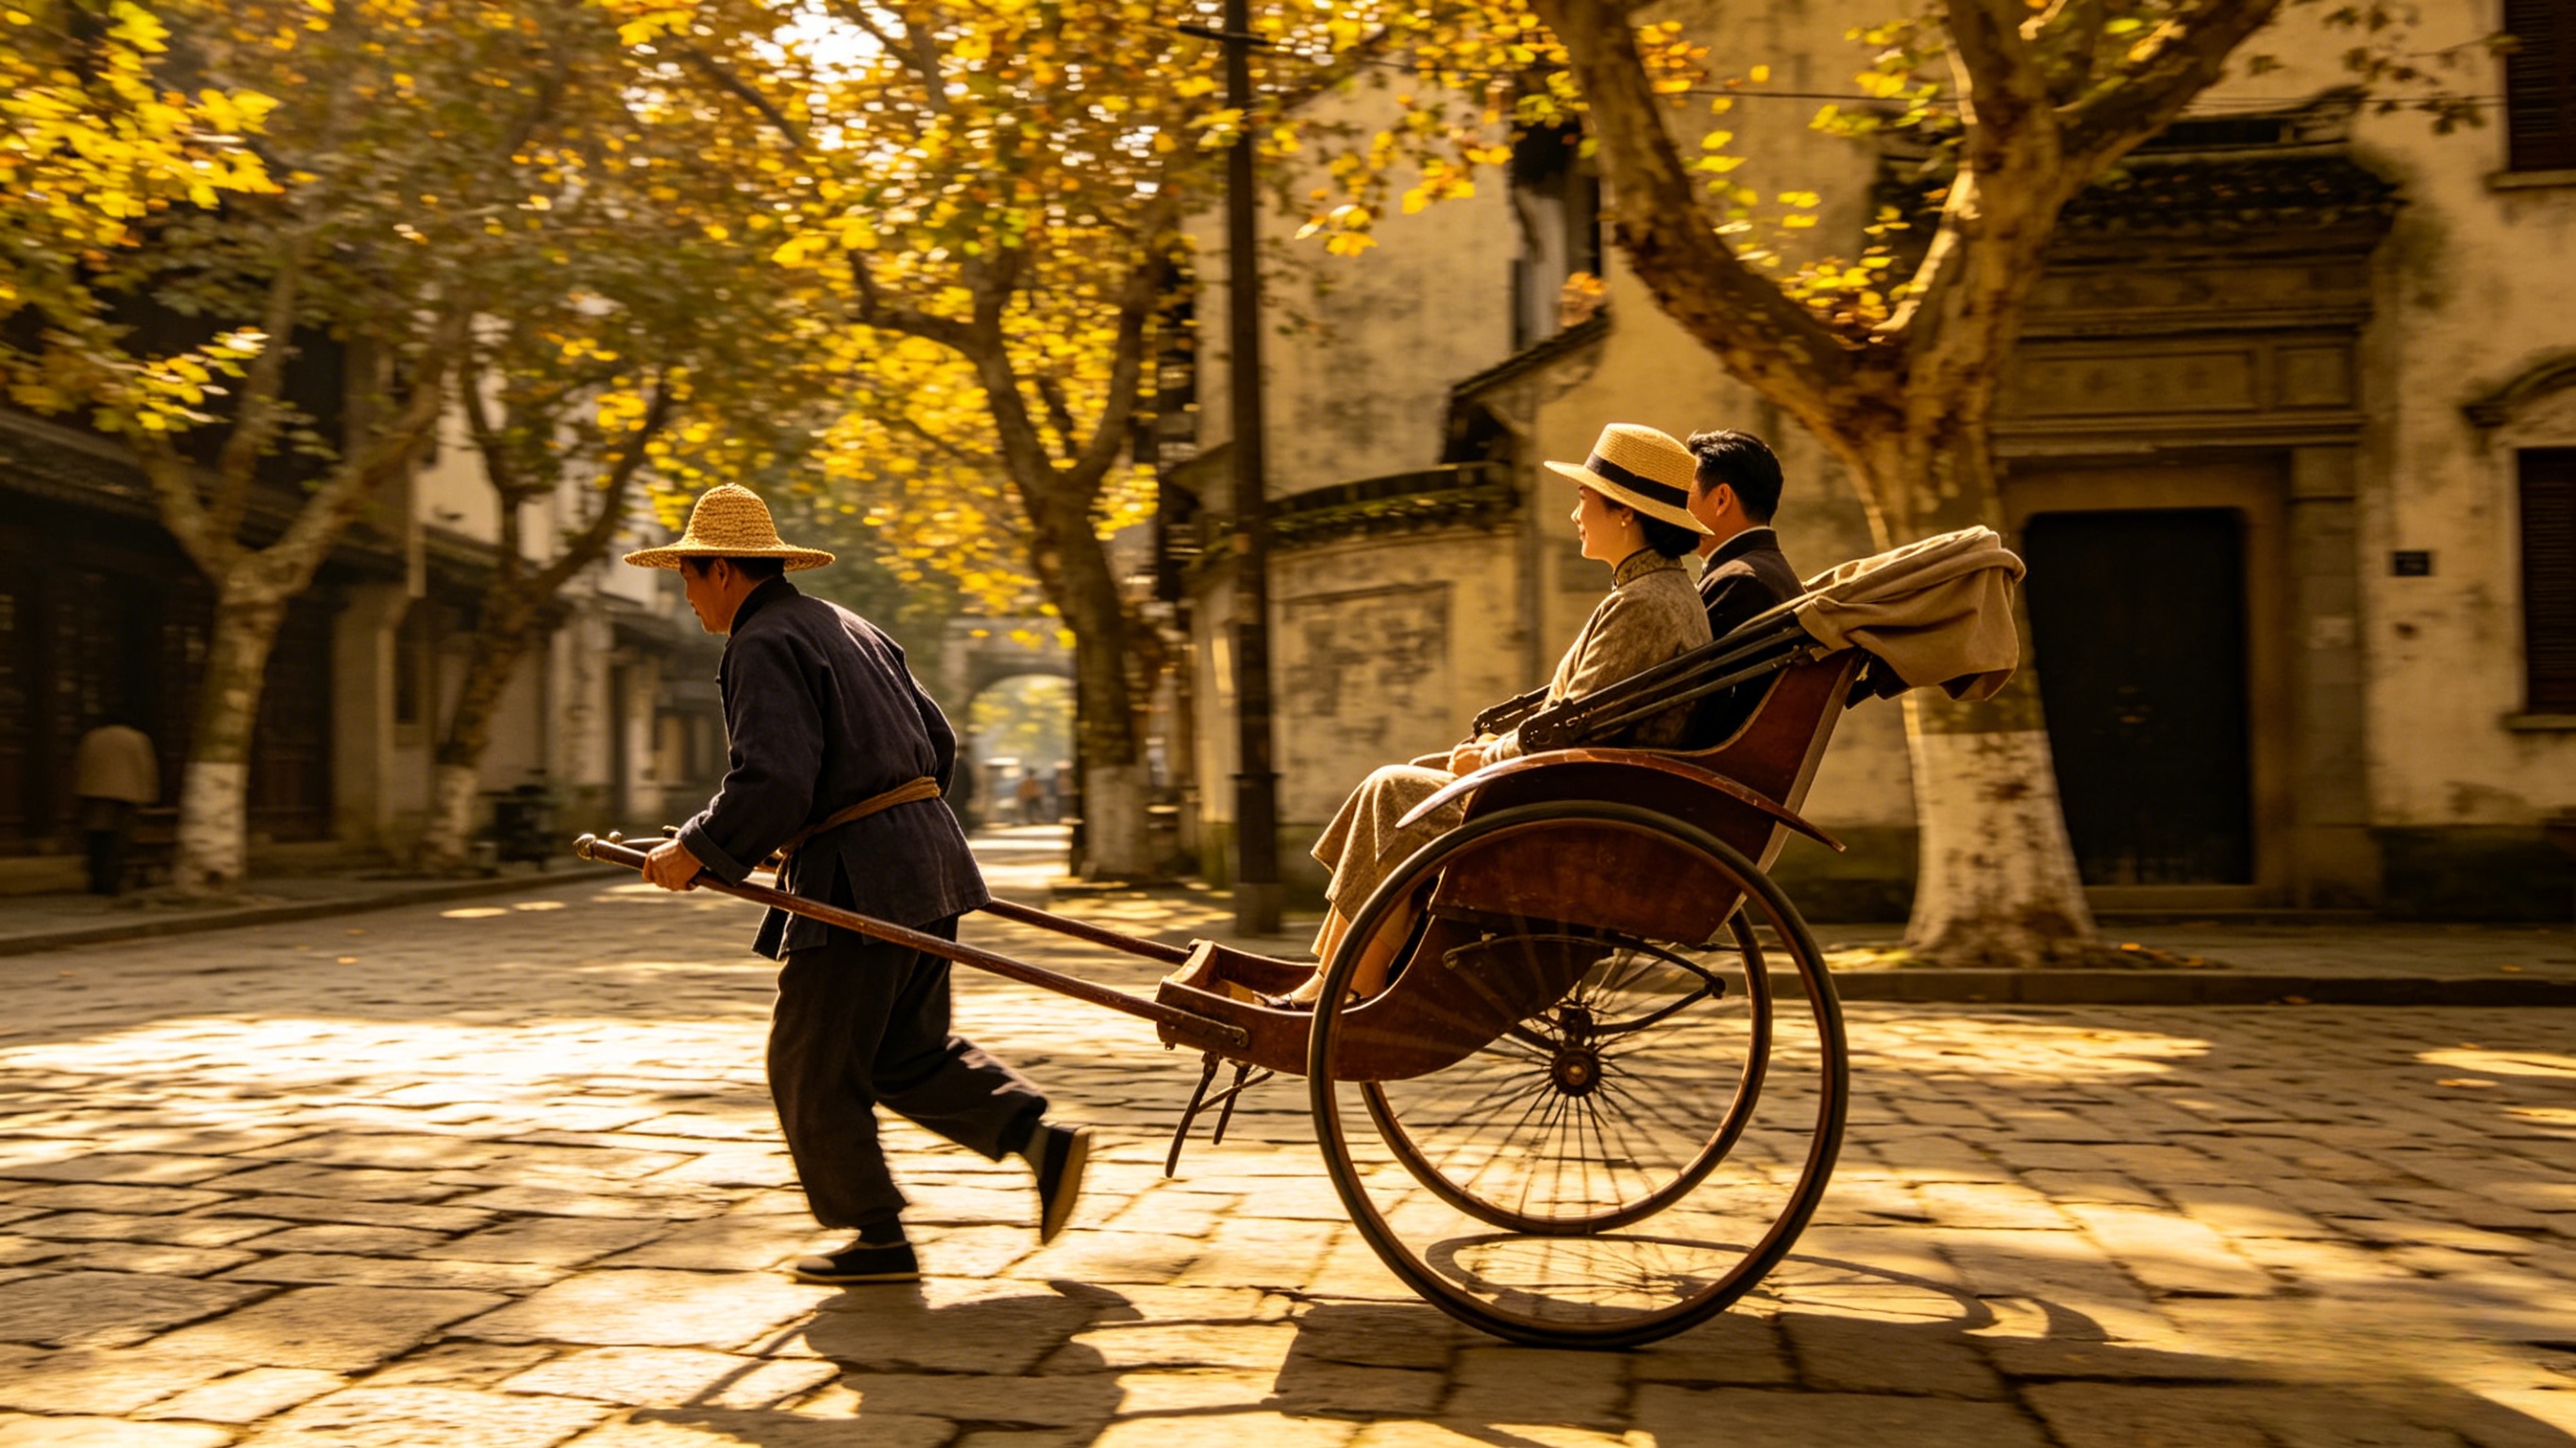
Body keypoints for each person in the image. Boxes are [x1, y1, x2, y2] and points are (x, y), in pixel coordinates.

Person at [624, 484, 1088, 1286]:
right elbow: (938, 745)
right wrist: (828, 829)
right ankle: (1034, 1135)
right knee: (902, 1050)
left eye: (690, 579)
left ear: (725, 570)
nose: (690, 599)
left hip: (862, 881)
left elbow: (772, 779)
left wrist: (696, 847)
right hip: (928, 859)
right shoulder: (851, 625)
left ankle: (877, 1238)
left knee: (808, 1061)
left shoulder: (760, 641)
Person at [1280, 424, 1715, 1006]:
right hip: (1578, 790)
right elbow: (1580, 712)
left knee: (1392, 791)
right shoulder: (1653, 595)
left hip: (1573, 809)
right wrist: (1489, 753)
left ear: (1625, 514)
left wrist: (1489, 756)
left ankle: (1350, 983)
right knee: (1397, 783)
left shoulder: (1646, 605)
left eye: (1586, 499)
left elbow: (1576, 723)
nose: (1575, 514)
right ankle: (1331, 973)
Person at [73, 714, 159, 896]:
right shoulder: (136, 739)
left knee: (97, 840)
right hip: (125, 796)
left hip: (94, 793)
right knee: (117, 842)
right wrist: (147, 795)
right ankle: (111, 882)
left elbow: (80, 764)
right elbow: (145, 767)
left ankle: (96, 881)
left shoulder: (93, 737)